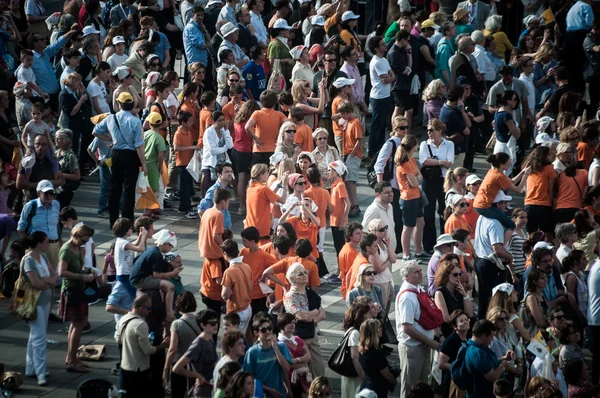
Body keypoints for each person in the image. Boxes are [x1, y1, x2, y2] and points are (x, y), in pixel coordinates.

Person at [93, 92, 147, 227]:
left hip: (116, 154)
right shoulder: (135, 121)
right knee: (129, 191)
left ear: (118, 104)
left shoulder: (111, 118)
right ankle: (127, 222)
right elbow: (139, 145)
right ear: (132, 105)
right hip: (130, 156)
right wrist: (144, 165)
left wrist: (111, 138)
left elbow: (95, 132)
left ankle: (113, 221)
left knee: (115, 188)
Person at [396, 260, 442, 398]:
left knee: (423, 388)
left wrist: (438, 335)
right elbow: (407, 328)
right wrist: (430, 342)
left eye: (420, 270)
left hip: (423, 346)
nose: (421, 273)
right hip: (412, 348)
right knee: (410, 388)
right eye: (416, 272)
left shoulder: (419, 289)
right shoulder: (407, 297)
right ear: (406, 276)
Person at [57, 224, 96, 373]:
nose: (85, 243)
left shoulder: (77, 248)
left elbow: (78, 267)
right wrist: (82, 276)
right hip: (71, 291)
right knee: (78, 324)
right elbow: (62, 272)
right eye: (84, 240)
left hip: (78, 289)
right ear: (76, 235)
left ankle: (72, 358)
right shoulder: (66, 250)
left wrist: (88, 271)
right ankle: (71, 360)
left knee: (77, 325)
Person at [21, 231, 57, 386]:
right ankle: (40, 373)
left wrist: (47, 281)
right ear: (38, 243)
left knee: (35, 336)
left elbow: (54, 276)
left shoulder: (43, 257)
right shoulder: (28, 260)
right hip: (32, 303)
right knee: (39, 338)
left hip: (44, 301)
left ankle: (31, 368)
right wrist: (48, 281)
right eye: (46, 241)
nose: (48, 244)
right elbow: (37, 284)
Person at [117, 294, 170, 397]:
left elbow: (119, 339)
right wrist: (162, 346)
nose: (149, 311)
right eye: (148, 308)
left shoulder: (124, 318)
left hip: (125, 365)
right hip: (139, 368)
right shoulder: (141, 324)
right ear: (140, 308)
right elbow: (147, 350)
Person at [282, 262, 326, 377]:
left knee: (318, 367)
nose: (305, 275)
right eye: (300, 274)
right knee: (303, 370)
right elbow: (302, 316)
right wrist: (315, 312)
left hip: (311, 333)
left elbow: (323, 315)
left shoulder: (309, 291)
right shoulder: (290, 296)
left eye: (305, 272)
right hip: (299, 336)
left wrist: (311, 318)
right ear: (293, 278)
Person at [198, 188, 230, 337]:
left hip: (206, 250)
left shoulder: (207, 212)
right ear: (223, 201)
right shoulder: (218, 214)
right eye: (228, 202)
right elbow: (216, 235)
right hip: (215, 252)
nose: (227, 205)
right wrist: (225, 248)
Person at [420, 118, 455, 254]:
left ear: (440, 131)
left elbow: (450, 162)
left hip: (444, 181)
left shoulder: (449, 144)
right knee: (428, 213)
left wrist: (433, 161)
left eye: (432, 130)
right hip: (428, 181)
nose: (429, 133)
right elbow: (423, 161)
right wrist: (440, 161)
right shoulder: (424, 144)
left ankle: (445, 242)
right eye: (428, 130)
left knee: (443, 212)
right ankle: (429, 245)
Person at [129, 229, 179, 322]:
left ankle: (165, 307)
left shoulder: (152, 250)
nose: (170, 249)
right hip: (141, 280)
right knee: (170, 287)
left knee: (163, 287)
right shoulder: (156, 254)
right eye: (171, 246)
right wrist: (172, 273)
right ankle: (169, 314)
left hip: (139, 277)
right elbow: (157, 275)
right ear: (166, 244)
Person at [473, 152, 529, 230]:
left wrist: (523, 172)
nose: (510, 165)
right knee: (511, 225)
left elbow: (512, 182)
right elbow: (519, 190)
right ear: (501, 165)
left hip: (481, 204)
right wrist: (526, 175)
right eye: (508, 163)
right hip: (484, 207)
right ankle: (504, 241)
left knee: (506, 220)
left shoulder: (494, 171)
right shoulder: (499, 176)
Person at [172, 309, 220, 398]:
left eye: (217, 322)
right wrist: (197, 376)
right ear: (203, 325)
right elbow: (176, 368)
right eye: (212, 323)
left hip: (210, 387)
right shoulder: (198, 344)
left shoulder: (210, 340)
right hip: (200, 391)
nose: (216, 325)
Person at [243, 315, 293, 398]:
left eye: (269, 328)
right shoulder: (252, 352)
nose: (268, 332)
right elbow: (248, 378)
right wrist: (268, 389)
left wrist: (276, 348)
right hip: (260, 394)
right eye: (263, 330)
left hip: (279, 394)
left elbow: (286, 369)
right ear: (256, 333)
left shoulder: (281, 346)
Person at [163, 291, 200, 398]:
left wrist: (166, 369)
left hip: (179, 365)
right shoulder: (200, 321)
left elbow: (172, 350)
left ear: (178, 306)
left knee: (178, 393)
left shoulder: (177, 324)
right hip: (195, 365)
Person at [462, 319, 509, 398]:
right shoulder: (477, 353)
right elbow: (492, 377)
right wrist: (502, 366)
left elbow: (489, 363)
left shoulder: (480, 347)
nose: (492, 340)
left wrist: (504, 358)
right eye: (491, 337)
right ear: (483, 336)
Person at [396, 135, 424, 259]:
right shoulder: (404, 164)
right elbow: (415, 182)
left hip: (416, 196)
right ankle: (406, 254)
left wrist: (416, 178)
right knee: (408, 227)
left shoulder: (411, 159)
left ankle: (419, 251)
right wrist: (416, 179)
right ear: (413, 147)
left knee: (420, 223)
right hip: (408, 199)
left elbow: (419, 176)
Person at [367, 35, 395, 158]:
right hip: (378, 97)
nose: (385, 46)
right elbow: (386, 79)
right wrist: (391, 78)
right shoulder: (377, 62)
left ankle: (380, 149)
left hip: (385, 95)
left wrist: (391, 77)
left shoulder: (383, 59)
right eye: (382, 44)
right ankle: (372, 151)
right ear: (377, 48)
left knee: (383, 124)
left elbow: (391, 75)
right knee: (377, 125)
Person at [434, 255, 474, 337]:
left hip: (463, 332)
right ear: (446, 275)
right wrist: (462, 320)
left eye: (460, 274)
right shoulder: (440, 293)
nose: (459, 277)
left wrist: (465, 295)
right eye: (455, 275)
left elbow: (470, 314)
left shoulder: (459, 290)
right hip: (449, 333)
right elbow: (446, 319)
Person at [358, 319, 397, 397]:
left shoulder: (362, 350)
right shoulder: (377, 353)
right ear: (375, 331)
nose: (381, 329)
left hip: (366, 386)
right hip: (377, 389)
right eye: (379, 327)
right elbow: (387, 375)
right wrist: (394, 382)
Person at [220, 239, 253, 333]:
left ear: (225, 253)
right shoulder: (247, 266)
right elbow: (251, 288)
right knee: (241, 338)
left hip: (236, 312)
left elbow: (225, 295)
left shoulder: (229, 272)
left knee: (232, 341)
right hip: (247, 308)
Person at [276, 313, 312, 398]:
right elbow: (287, 366)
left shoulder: (297, 339)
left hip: (301, 379)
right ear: (282, 324)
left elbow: (309, 357)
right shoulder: (279, 344)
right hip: (287, 381)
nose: (292, 325)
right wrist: (303, 363)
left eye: (293, 322)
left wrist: (295, 360)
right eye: (289, 322)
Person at [437, 310, 471, 397]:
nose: (465, 322)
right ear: (455, 326)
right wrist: (459, 367)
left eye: (466, 320)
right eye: (461, 321)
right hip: (452, 382)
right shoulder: (450, 341)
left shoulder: (468, 338)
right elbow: (441, 364)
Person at [520, 267, 549, 337]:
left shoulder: (541, 295)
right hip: (534, 337)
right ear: (535, 281)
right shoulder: (531, 298)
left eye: (545, 277)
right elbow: (540, 322)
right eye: (542, 278)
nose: (545, 280)